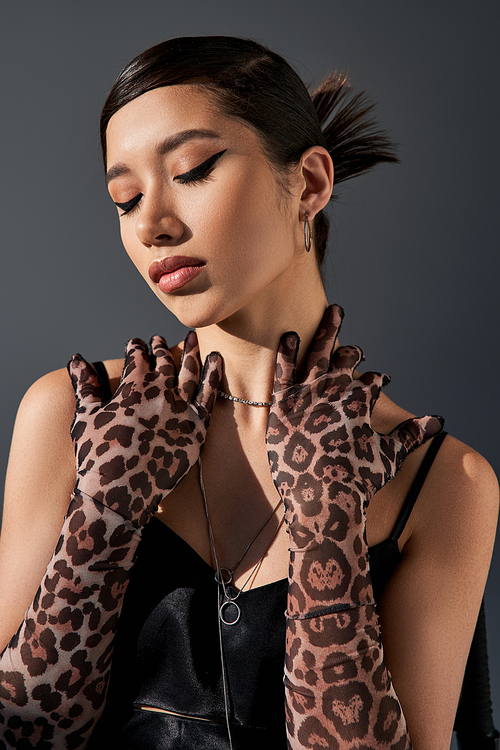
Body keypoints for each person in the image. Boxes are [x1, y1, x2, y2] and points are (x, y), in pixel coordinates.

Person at [0, 36, 498, 750]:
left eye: (194, 170)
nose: (151, 224)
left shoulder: (443, 480)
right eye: (125, 198)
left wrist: (330, 527)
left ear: (311, 182)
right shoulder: (71, 415)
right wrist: (102, 517)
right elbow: (23, 735)